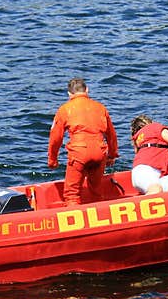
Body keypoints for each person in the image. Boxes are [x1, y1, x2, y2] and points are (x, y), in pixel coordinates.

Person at [48, 77, 119, 206]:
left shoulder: (64, 109)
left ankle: (73, 222)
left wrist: (52, 159)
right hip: (99, 151)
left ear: (69, 94)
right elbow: (111, 134)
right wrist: (112, 155)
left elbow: (55, 137)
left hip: (79, 153)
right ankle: (99, 218)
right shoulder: (100, 107)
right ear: (87, 90)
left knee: (72, 194)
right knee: (96, 191)